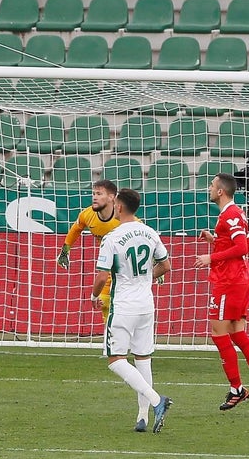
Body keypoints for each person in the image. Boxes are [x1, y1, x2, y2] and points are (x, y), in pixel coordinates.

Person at [91, 189, 173, 433]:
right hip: (146, 304)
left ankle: (157, 401)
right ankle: (142, 417)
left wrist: (95, 295)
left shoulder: (112, 237)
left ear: (119, 207)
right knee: (143, 359)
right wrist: (146, 279)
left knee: (116, 359)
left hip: (124, 305)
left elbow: (103, 275)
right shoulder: (149, 232)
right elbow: (166, 265)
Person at [194, 173, 249, 411]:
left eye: (212, 185)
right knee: (237, 333)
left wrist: (211, 256)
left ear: (221, 191)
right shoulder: (233, 213)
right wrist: (215, 241)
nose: (209, 188)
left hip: (228, 281)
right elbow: (233, 244)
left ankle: (237, 389)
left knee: (218, 334)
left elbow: (243, 247)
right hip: (238, 279)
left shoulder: (230, 214)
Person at [57, 179, 120, 322]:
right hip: (108, 266)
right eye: (93, 193)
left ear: (111, 197)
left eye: (99, 193)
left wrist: (155, 261)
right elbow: (76, 229)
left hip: (126, 269)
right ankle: (110, 341)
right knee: (103, 303)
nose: (94, 197)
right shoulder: (87, 215)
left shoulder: (123, 216)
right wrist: (65, 251)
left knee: (123, 311)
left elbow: (143, 234)